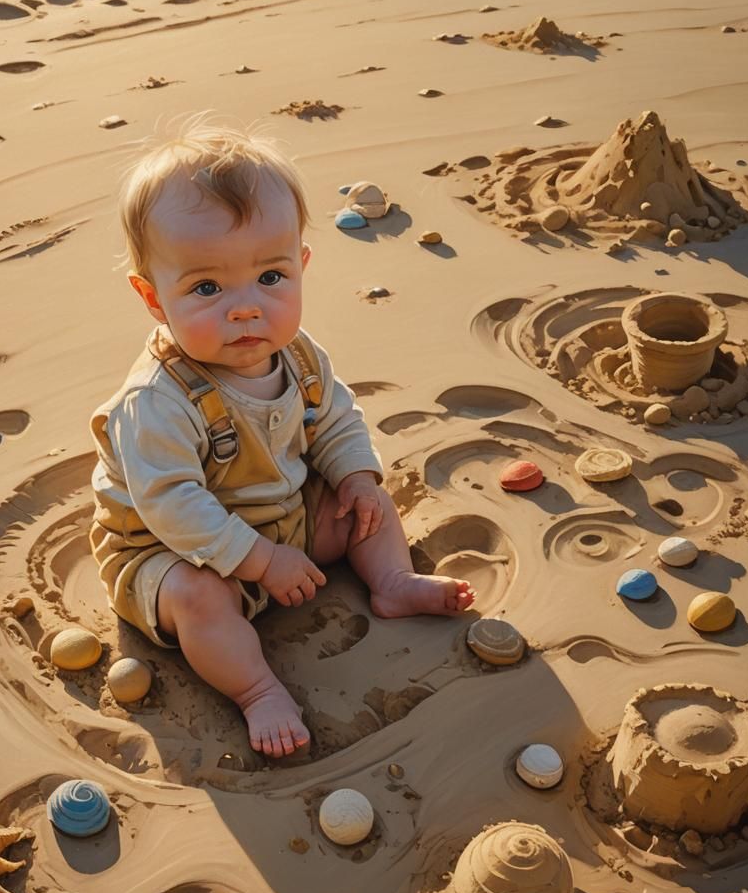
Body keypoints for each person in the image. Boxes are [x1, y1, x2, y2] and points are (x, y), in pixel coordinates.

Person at [89, 112, 475, 758]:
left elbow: (337, 418)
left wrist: (355, 474)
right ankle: (257, 691)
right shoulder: (155, 402)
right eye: (206, 286)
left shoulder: (297, 355)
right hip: (172, 551)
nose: (246, 307)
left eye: (270, 277)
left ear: (301, 265)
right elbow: (172, 505)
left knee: (363, 506)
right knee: (199, 598)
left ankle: (393, 583)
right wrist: (261, 561)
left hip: (280, 518)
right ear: (153, 298)